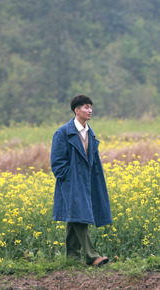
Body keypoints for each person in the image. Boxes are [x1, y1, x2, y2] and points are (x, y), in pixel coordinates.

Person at [50, 95, 112, 266]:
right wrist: (68, 178)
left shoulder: (89, 133)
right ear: (77, 110)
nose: (90, 110)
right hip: (71, 183)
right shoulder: (63, 132)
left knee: (75, 216)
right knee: (80, 215)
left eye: (91, 107)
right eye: (86, 107)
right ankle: (92, 256)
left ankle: (72, 258)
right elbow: (57, 162)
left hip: (87, 182)